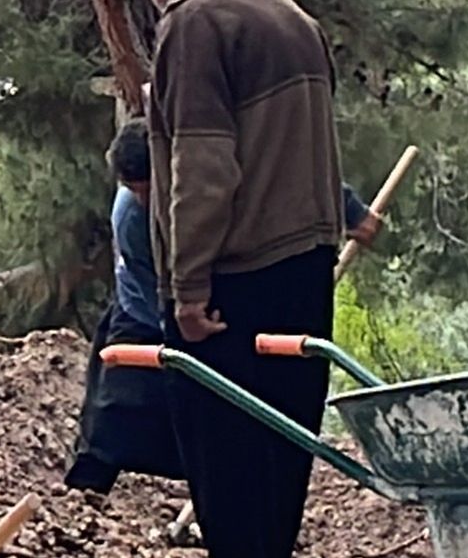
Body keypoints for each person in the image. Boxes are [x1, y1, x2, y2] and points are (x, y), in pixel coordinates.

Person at [140, 0, 348, 558]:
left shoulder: (194, 24)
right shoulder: (289, 15)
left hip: (236, 267)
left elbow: (201, 162)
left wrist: (187, 285)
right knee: (283, 432)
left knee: (218, 431)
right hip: (305, 255)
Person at [70, 121, 382, 494]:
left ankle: (228, 494)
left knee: (224, 421)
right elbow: (154, 293)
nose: (142, 201)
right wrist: (185, 328)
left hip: (224, 296)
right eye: (133, 191)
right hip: (148, 308)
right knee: (115, 411)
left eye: (148, 190)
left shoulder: (226, 169)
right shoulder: (133, 219)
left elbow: (295, 173)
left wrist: (351, 212)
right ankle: (84, 492)